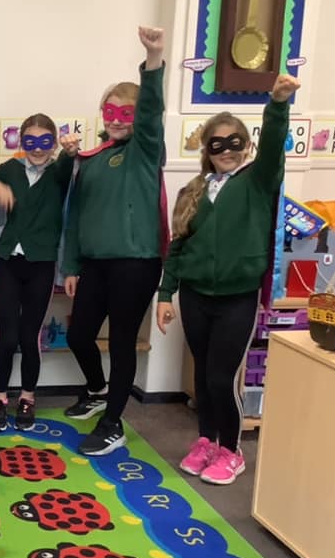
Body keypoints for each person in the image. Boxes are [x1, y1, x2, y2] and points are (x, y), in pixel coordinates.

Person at [156, 74, 301, 485]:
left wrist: (277, 105)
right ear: (207, 151)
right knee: (202, 374)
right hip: (196, 295)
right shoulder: (194, 191)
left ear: (246, 146)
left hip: (237, 297)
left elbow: (274, 148)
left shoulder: (258, 182)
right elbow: (178, 248)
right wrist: (166, 294)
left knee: (223, 376)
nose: (225, 152)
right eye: (216, 145)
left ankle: (231, 449)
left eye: (234, 143)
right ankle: (206, 440)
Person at [61, 26, 168, 456]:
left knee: (122, 341)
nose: (115, 120)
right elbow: (76, 215)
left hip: (136, 262)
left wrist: (154, 58)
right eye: (110, 112)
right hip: (95, 264)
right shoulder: (92, 158)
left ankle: (113, 423)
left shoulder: (145, 150)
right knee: (78, 335)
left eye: (126, 113)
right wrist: (71, 265)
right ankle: (97, 390)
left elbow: (152, 113)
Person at [0, 115, 80, 432]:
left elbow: (64, 167)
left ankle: (27, 397)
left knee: (30, 338)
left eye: (45, 142)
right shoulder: (11, 169)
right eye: (30, 141)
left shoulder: (58, 172)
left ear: (54, 143)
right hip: (9, 263)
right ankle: (0, 398)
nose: (37, 149)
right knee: (7, 337)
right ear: (21, 142)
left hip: (41, 263)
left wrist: (70, 153)